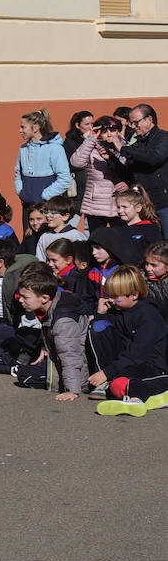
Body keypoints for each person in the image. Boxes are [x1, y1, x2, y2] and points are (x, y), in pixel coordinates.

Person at [85, 266, 167, 406]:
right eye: (109, 295)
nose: (110, 300)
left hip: (150, 365)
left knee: (122, 382)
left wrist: (108, 372)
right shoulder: (117, 310)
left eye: (115, 297)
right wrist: (100, 314)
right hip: (125, 363)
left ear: (134, 295)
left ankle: (139, 398)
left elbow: (138, 352)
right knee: (98, 327)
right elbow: (108, 339)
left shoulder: (148, 315)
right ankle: (112, 385)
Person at [13, 263, 90, 400]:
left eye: (25, 297)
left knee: (25, 375)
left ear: (44, 298)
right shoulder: (53, 303)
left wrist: (72, 390)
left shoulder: (63, 322)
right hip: (59, 357)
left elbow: (70, 355)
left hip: (80, 371)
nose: (21, 300)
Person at [110, 104, 168, 235]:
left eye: (136, 123)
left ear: (149, 119)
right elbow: (129, 171)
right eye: (131, 123)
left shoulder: (164, 138)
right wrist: (111, 157)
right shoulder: (137, 144)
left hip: (164, 203)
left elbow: (154, 157)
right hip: (145, 204)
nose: (133, 127)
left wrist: (123, 148)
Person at [14, 107, 72, 229]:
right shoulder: (23, 149)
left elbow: (65, 179)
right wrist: (21, 192)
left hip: (47, 207)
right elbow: (18, 174)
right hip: (28, 206)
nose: (20, 130)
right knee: (29, 240)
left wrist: (44, 196)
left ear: (35, 128)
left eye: (23, 127)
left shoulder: (55, 149)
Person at [71, 115, 128, 232]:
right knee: (96, 240)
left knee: (120, 240)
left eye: (113, 130)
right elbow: (76, 162)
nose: (109, 134)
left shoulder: (125, 147)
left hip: (120, 202)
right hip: (96, 203)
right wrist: (91, 139)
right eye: (104, 131)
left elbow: (131, 170)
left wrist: (128, 184)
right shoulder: (92, 148)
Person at [35, 195, 85, 261]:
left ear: (65, 216)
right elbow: (40, 260)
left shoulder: (75, 235)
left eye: (53, 213)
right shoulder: (44, 237)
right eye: (46, 212)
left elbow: (82, 259)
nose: (48, 215)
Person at [64, 110, 94, 210]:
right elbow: (73, 164)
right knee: (75, 214)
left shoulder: (96, 138)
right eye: (86, 124)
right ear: (77, 125)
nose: (90, 127)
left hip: (92, 185)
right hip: (78, 185)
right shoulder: (69, 141)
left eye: (92, 123)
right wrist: (86, 142)